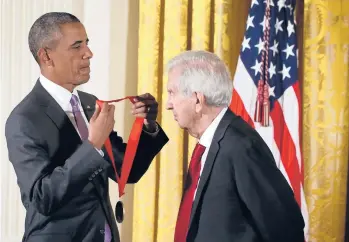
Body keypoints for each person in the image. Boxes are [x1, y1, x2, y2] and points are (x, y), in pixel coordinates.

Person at [5, 12, 168, 242]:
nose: (88, 54)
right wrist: (92, 146)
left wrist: (148, 126)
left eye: (87, 44)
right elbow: (42, 198)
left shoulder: (89, 103)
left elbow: (125, 171)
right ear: (46, 56)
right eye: (76, 46)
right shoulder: (24, 119)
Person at [166, 50, 305, 242]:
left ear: (198, 99)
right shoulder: (210, 144)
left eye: (172, 93)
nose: (168, 104)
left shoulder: (241, 146)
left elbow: (285, 228)